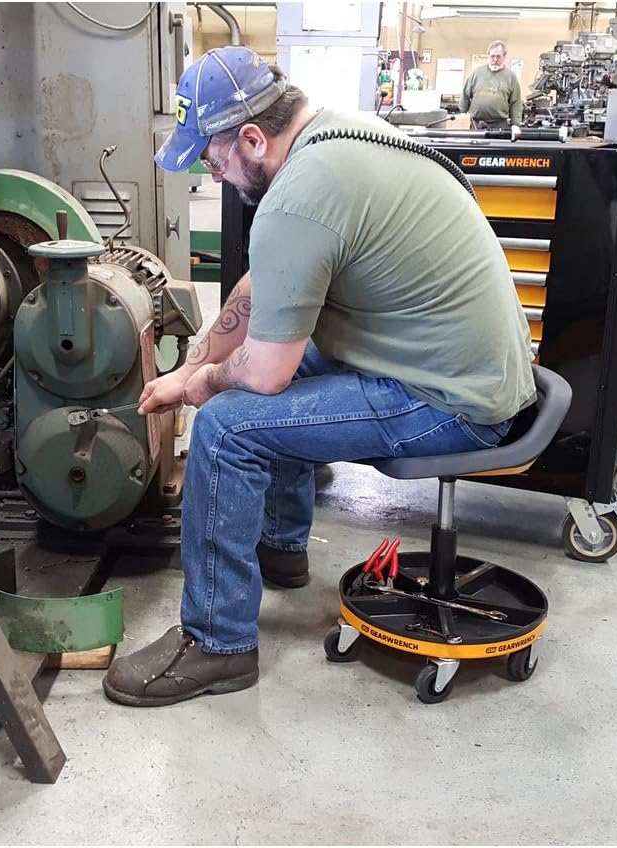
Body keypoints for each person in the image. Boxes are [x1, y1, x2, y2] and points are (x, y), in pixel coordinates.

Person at [101, 46, 535, 708]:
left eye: (213, 161)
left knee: (227, 426)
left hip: (453, 400)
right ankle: (280, 548)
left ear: (252, 138)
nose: (216, 177)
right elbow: (262, 287)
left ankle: (218, 642)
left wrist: (199, 386)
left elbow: (264, 374)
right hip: (450, 364)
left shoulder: (300, 196)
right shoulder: (332, 137)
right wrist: (193, 361)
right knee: (277, 370)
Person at [461, 40, 523, 129]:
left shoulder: (511, 77)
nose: (495, 59)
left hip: (500, 125)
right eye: (492, 56)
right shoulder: (477, 73)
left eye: (498, 56)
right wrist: (462, 116)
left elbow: (516, 102)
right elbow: (465, 95)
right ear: (488, 56)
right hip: (476, 124)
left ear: (504, 56)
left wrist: (515, 124)